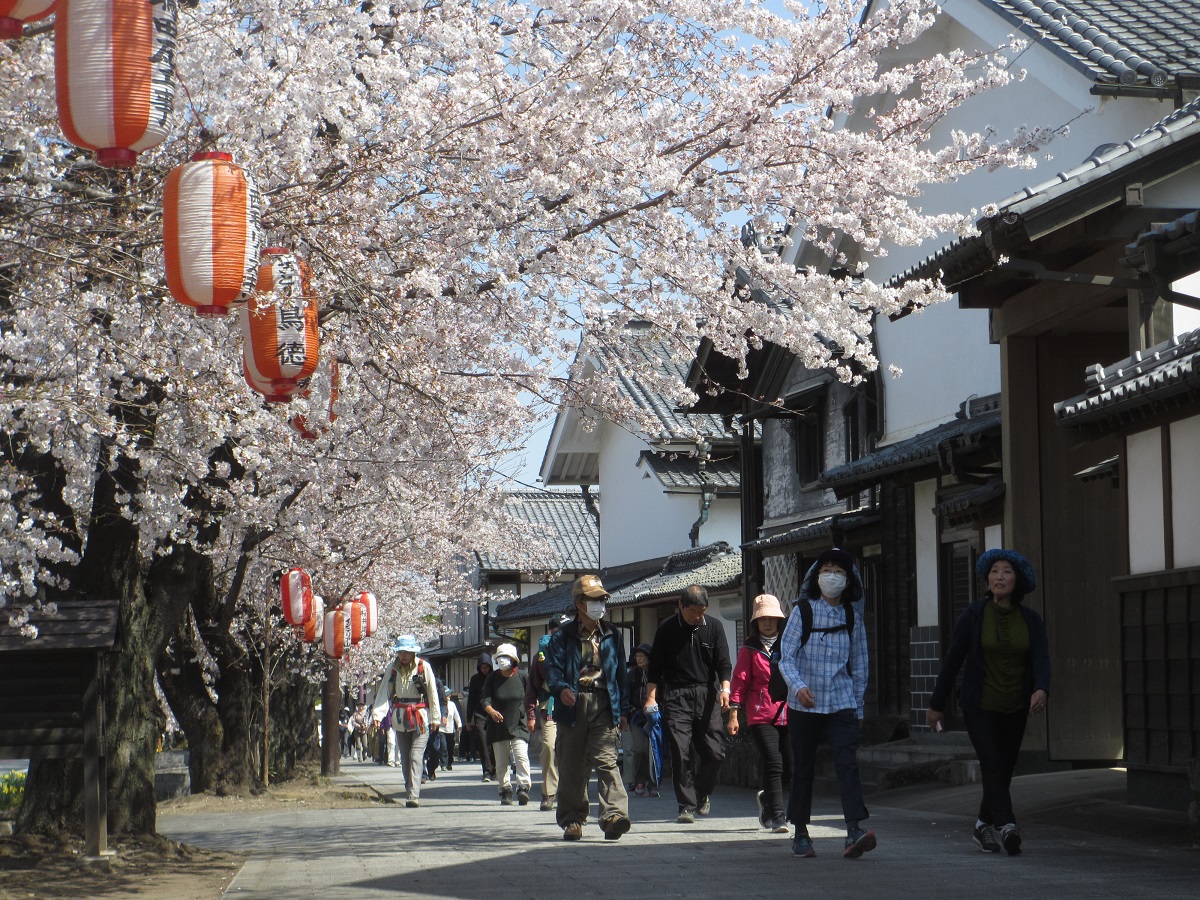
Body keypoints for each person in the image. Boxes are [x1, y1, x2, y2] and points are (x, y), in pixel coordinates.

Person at [927, 548, 1050, 856]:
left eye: (1006, 571)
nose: (999, 576)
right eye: (995, 571)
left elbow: (1041, 660)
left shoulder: (1031, 620)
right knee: (993, 762)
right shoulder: (974, 615)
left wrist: (1042, 688)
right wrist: (936, 705)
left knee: (1004, 767)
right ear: (987, 578)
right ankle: (1007, 825)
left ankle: (983, 825)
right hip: (979, 704)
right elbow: (952, 661)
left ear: (1017, 580)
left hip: (1015, 705)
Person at [780, 547, 873, 859]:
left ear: (848, 580)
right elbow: (785, 657)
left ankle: (854, 830)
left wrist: (858, 706)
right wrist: (799, 685)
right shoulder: (802, 611)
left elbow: (860, 663)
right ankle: (801, 833)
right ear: (816, 576)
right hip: (804, 702)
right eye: (826, 570)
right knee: (804, 767)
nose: (832, 576)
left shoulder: (851, 616)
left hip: (842, 700)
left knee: (847, 763)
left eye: (839, 572)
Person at [544, 574, 632, 842]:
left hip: (604, 703)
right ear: (579, 603)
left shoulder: (612, 635)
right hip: (573, 705)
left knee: (607, 761)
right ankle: (573, 820)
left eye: (602, 599)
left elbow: (620, 675)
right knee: (572, 766)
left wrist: (624, 710)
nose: (600, 604)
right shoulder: (562, 637)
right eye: (594, 600)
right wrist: (562, 689)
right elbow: (552, 671)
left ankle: (613, 816)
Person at [645, 584, 732, 825]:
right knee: (680, 752)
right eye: (693, 611)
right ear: (680, 606)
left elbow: (724, 663)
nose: (698, 616)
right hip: (676, 695)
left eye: (702, 611)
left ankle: (702, 792)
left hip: (706, 694)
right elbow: (655, 668)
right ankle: (686, 805)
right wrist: (651, 697)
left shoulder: (714, 627)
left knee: (716, 753)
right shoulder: (666, 629)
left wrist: (725, 689)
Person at [728, 593, 791, 833]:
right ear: (756, 622)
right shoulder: (750, 649)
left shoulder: (789, 644)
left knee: (790, 767)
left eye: (772, 618)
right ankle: (778, 816)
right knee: (773, 762)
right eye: (763, 618)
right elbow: (740, 681)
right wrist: (734, 712)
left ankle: (766, 800)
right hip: (761, 714)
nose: (768, 622)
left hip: (789, 712)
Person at [371, 634, 442, 808]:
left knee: (415, 756)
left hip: (420, 715)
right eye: (401, 651)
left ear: (413, 652)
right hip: (401, 717)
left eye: (407, 652)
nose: (403, 655)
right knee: (405, 758)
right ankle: (409, 786)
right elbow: (384, 693)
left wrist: (435, 717)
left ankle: (413, 795)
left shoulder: (423, 667)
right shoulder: (392, 669)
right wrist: (378, 715)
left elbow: (433, 693)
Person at [525, 611, 572, 811]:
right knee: (549, 746)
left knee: (574, 749)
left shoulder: (577, 650)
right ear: (553, 632)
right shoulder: (541, 656)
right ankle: (549, 792)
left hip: (575, 704)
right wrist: (530, 714)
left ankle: (573, 791)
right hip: (550, 705)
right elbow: (532, 686)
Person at [481, 642, 532, 806]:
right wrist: (491, 711)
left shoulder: (522, 676)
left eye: (506, 657)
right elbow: (485, 699)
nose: (503, 660)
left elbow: (531, 696)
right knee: (501, 760)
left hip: (519, 722)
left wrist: (532, 714)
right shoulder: (492, 678)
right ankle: (505, 790)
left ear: (514, 659)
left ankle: (523, 787)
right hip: (498, 724)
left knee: (521, 755)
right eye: (500, 657)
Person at [625, 642, 660, 797]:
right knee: (639, 749)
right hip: (636, 717)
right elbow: (625, 695)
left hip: (655, 717)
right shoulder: (632, 675)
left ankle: (653, 784)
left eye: (642, 656)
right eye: (637, 656)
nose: (639, 659)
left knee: (653, 750)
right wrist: (626, 713)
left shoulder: (657, 674)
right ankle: (639, 779)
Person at [465, 652, 496, 781]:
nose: (485, 669)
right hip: (479, 714)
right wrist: (468, 720)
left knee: (494, 743)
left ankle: (495, 768)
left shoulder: (494, 677)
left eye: (487, 667)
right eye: (482, 667)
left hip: (494, 713)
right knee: (483, 743)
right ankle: (487, 771)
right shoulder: (475, 679)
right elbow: (471, 699)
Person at [441, 692, 463, 770]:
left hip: (450, 729)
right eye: (447, 694)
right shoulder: (439, 703)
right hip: (441, 729)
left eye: (449, 694)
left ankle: (449, 763)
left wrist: (459, 725)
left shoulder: (452, 704)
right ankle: (443, 764)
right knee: (443, 747)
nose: (449, 696)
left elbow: (456, 715)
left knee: (450, 748)